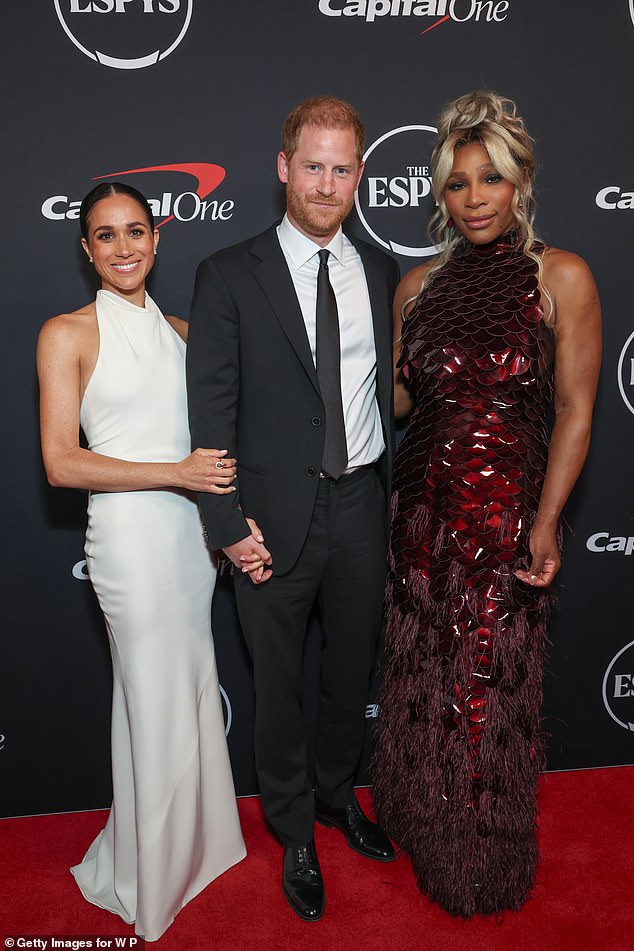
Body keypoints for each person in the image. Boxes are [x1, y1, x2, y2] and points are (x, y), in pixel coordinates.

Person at [372, 90, 601, 918]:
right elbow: (396, 406)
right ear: (440, 193)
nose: (474, 198)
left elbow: (575, 407)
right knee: (422, 677)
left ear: (520, 183)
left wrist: (545, 521)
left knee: (485, 693)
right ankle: (415, 816)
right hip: (419, 513)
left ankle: (477, 867)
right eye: (457, 183)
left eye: (490, 179)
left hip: (504, 517)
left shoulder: (561, 276)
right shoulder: (416, 286)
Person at [186, 96, 399, 922]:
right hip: (270, 519)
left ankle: (339, 795)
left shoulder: (377, 269)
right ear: (282, 166)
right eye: (312, 165)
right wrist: (227, 525)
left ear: (360, 175)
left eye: (342, 168)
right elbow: (210, 413)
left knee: (350, 671)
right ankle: (293, 830)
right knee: (277, 685)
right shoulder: (228, 273)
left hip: (361, 503)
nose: (326, 183)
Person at [36, 182, 247, 942]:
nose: (123, 247)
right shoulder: (67, 333)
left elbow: (219, 447)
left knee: (187, 690)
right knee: (151, 701)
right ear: (85, 247)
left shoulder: (190, 333)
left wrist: (223, 509)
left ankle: (201, 845)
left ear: (157, 240)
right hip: (129, 542)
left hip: (191, 545)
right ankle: (148, 876)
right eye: (105, 235)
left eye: (135, 232)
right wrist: (176, 474)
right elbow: (62, 463)